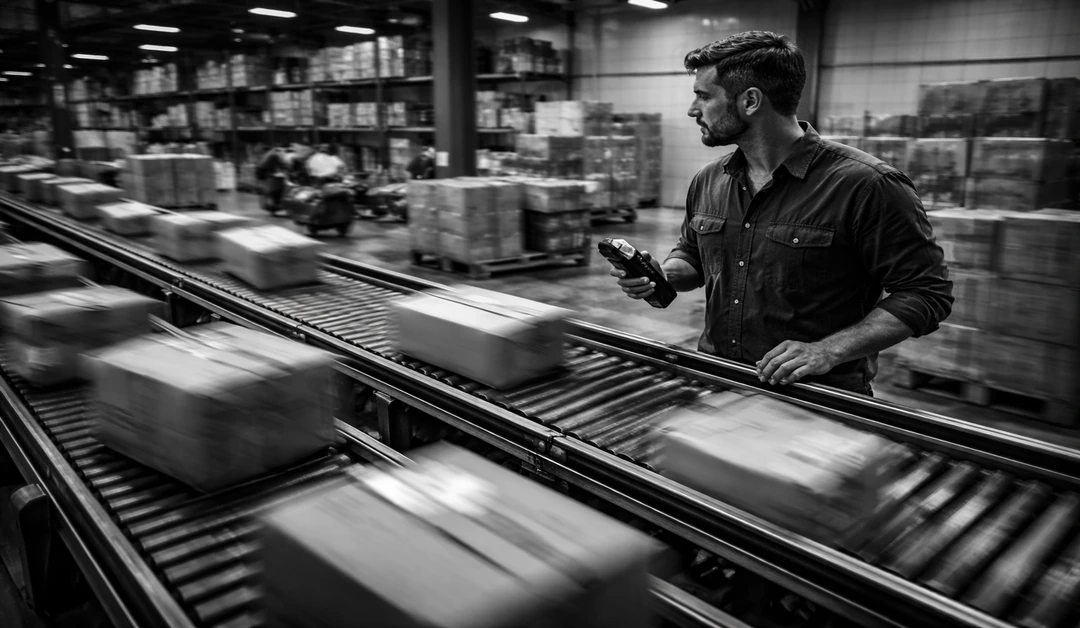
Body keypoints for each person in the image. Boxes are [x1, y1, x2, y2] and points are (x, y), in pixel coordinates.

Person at [611, 31, 953, 396]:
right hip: (719, 380)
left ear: (750, 101)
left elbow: (925, 292)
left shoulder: (867, 185)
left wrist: (828, 351)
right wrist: (663, 275)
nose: (693, 109)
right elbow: (693, 253)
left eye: (704, 96)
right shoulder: (709, 180)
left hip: (817, 397)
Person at [255, 143, 292, 213]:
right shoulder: (276, 153)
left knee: (268, 189)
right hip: (265, 174)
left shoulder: (271, 152)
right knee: (275, 189)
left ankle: (271, 205)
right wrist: (287, 168)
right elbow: (283, 163)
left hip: (262, 173)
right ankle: (274, 205)